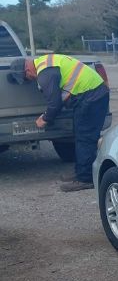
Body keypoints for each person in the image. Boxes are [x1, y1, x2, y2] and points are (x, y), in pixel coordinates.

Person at [8, 54, 109, 192]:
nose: (29, 80)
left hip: (92, 97)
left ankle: (85, 179)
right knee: (80, 137)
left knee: (85, 139)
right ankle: (81, 172)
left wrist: (45, 119)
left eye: (26, 78)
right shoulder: (44, 63)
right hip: (89, 95)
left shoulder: (45, 74)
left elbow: (55, 104)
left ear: (27, 70)